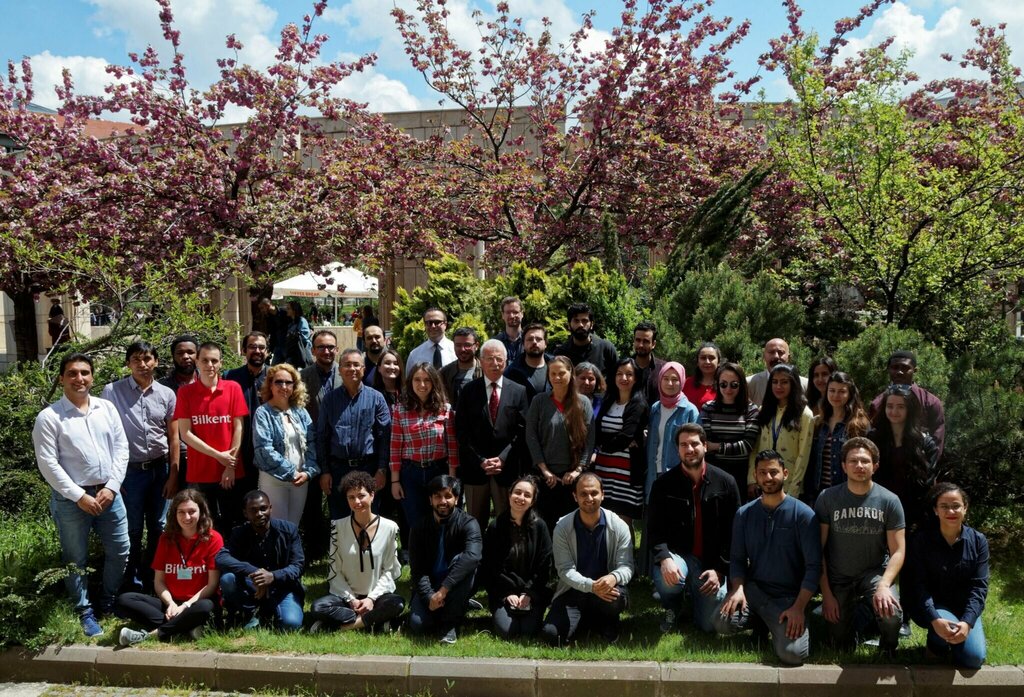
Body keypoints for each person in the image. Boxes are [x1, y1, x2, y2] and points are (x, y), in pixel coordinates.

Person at [33, 353, 131, 636]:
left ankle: (108, 602)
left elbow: (121, 448)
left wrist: (112, 487)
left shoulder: (107, 408)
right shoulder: (50, 417)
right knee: (75, 557)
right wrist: (79, 496)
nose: (80, 379)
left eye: (85, 373)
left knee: (121, 550)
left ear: (92, 377)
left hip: (110, 493)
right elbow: (48, 464)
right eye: (73, 373)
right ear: (62, 378)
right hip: (72, 500)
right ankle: (84, 610)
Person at [714, 450, 821, 665]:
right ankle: (767, 623)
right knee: (721, 622)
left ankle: (778, 623)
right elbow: (736, 559)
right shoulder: (744, 514)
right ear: (755, 475)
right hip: (754, 593)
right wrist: (738, 589)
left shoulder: (803, 514)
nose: (768, 478)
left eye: (774, 472)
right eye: (762, 472)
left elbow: (814, 567)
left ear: (785, 473)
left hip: (788, 599)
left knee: (793, 655)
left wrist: (798, 607)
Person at [816, 437, 906, 656]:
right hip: (839, 576)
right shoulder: (827, 498)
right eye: (853, 461)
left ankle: (887, 648)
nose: (859, 465)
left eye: (865, 461)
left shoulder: (889, 500)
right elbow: (817, 550)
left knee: (891, 614)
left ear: (875, 466)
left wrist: (884, 585)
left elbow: (899, 551)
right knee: (840, 645)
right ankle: (856, 623)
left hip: (873, 574)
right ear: (844, 466)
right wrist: (826, 594)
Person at [101, 341, 179, 593]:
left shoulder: (167, 394)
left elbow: (174, 437)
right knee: (132, 529)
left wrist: (173, 475)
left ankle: (153, 580)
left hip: (160, 471)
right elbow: (105, 437)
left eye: (147, 359)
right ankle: (130, 583)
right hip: (129, 473)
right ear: (128, 363)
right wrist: (114, 479)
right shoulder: (112, 392)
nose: (143, 365)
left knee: (158, 526)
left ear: (156, 361)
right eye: (136, 359)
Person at [647, 424, 739, 634]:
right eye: (684, 445)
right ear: (677, 450)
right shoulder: (663, 485)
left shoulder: (726, 483)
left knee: (709, 626)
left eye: (695, 444)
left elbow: (734, 533)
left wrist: (720, 570)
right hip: (678, 555)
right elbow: (654, 529)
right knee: (670, 580)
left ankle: (694, 598)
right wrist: (665, 559)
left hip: (710, 562)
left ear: (705, 446)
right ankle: (672, 605)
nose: (690, 449)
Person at [116, 489, 222, 645]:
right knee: (125, 599)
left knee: (206, 607)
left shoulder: (213, 538)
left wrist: (186, 606)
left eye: (192, 511)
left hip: (198, 602)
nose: (187, 517)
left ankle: (153, 634)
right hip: (173, 602)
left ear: (202, 512)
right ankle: (185, 626)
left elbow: (212, 584)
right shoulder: (166, 538)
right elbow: (159, 581)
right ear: (174, 513)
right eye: (181, 512)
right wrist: (171, 604)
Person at [541, 472, 633, 646]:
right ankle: (590, 620)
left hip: (606, 591)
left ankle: (605, 620)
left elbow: (626, 566)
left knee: (618, 597)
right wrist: (591, 586)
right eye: (583, 494)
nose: (589, 498)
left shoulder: (619, 526)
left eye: (594, 493)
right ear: (575, 496)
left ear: (603, 494)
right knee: (552, 635)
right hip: (573, 592)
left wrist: (613, 577)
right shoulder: (562, 527)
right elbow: (564, 570)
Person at [307, 471, 405, 632]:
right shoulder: (337, 527)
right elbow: (335, 571)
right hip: (346, 597)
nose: (357, 501)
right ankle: (374, 622)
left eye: (361, 496)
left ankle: (343, 626)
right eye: (351, 497)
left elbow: (389, 570)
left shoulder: (390, 528)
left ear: (372, 495)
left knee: (397, 604)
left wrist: (371, 599)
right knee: (318, 607)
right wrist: (351, 599)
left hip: (378, 597)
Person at [906, 482, 988, 669]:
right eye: (944, 506)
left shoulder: (978, 541)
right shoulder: (921, 540)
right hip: (933, 607)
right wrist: (934, 618)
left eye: (956, 506)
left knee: (973, 659)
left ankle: (954, 641)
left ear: (965, 508)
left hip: (964, 607)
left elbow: (979, 587)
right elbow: (918, 584)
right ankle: (936, 646)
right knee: (944, 628)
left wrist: (967, 622)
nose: (951, 511)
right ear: (935, 510)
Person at [455, 339, 531, 530]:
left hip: (507, 470)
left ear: (506, 361)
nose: (495, 363)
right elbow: (462, 432)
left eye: (499, 359)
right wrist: (480, 460)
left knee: (508, 522)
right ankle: (477, 559)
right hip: (475, 470)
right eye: (490, 359)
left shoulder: (519, 391)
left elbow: (522, 431)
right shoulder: (468, 391)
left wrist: (503, 458)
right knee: (474, 524)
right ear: (481, 361)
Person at [174, 342, 249, 531]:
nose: (210, 365)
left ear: (221, 363)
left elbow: (238, 428)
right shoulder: (185, 392)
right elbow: (185, 434)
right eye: (205, 360)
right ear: (197, 362)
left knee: (233, 521)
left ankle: (231, 560)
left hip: (230, 471)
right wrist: (219, 456)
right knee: (204, 523)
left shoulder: (233, 388)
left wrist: (229, 465)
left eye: (214, 360)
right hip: (200, 472)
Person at [318, 349, 392, 521]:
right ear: (340, 369)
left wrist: (381, 469)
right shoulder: (329, 400)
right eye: (347, 365)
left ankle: (368, 549)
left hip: (368, 468)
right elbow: (322, 437)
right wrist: (325, 471)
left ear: (363, 369)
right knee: (340, 522)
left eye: (356, 365)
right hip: (338, 471)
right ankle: (343, 550)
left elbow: (385, 437)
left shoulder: (376, 398)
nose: (352, 369)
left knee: (369, 521)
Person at [408, 475, 482, 644]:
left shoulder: (469, 523)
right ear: (430, 500)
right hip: (431, 584)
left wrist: (443, 590)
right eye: (437, 497)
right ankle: (457, 605)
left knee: (462, 561)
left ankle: (450, 624)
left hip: (455, 582)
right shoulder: (419, 527)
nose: (443, 501)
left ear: (456, 499)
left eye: (448, 496)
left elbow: (473, 556)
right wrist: (429, 597)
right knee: (419, 625)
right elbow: (418, 569)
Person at [216, 490, 305, 630]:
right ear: (245, 513)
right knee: (228, 579)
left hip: (283, 587)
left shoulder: (289, 530)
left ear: (270, 508)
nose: (259, 514)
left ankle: (268, 612)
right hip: (252, 587)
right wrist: (256, 572)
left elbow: (298, 566)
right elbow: (221, 558)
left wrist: (272, 576)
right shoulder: (239, 533)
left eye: (263, 508)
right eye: (253, 510)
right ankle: (249, 612)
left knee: (291, 624)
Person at [526, 356, 596, 530]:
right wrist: (544, 470)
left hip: (572, 479)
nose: (557, 377)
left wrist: (578, 469)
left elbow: (590, 440)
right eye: (553, 373)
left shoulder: (583, 403)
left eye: (561, 373)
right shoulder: (539, 401)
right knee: (544, 527)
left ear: (570, 373)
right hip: (545, 478)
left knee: (571, 529)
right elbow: (531, 436)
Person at [481, 475, 553, 640]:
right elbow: (490, 566)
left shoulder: (540, 527)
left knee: (529, 630)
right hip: (504, 590)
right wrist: (507, 593)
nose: (521, 498)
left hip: (532, 591)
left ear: (533, 501)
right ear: (509, 495)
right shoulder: (496, 527)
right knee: (507, 631)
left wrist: (529, 593)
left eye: (527, 495)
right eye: (517, 492)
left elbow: (544, 565)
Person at [390, 363, 460, 531]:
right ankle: (419, 557)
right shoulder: (400, 410)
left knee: (442, 520)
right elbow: (395, 446)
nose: (422, 385)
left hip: (438, 471)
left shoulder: (445, 409)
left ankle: (443, 556)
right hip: (410, 474)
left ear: (434, 382)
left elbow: (452, 446)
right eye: (417, 380)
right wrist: (395, 481)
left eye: (427, 380)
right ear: (410, 382)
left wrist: (451, 481)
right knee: (416, 523)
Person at [252, 363, 319, 526]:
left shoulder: (301, 411)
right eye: (278, 382)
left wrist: (308, 472)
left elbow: (312, 442)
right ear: (270, 385)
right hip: (274, 479)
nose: (284, 386)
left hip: (300, 481)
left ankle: (291, 553)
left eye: (288, 382)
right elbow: (264, 449)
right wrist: (292, 472)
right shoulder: (263, 413)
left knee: (293, 526)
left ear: (294, 386)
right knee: (277, 527)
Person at [868, 385, 940, 533]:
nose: (894, 411)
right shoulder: (873, 439)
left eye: (900, 407)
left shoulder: (925, 443)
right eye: (890, 406)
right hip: (879, 510)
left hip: (914, 515)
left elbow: (928, 481)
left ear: (910, 409)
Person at [592, 357, 649, 532]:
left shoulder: (638, 404)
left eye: (629, 374)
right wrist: (616, 440)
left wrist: (605, 444)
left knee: (623, 522)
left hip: (626, 472)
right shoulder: (608, 400)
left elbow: (626, 436)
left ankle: (626, 560)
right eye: (619, 374)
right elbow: (597, 432)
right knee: (603, 517)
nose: (624, 378)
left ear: (636, 378)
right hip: (604, 469)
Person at [299, 330, 341, 560]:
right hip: (311, 448)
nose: (326, 351)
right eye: (321, 347)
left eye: (330, 347)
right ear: (313, 350)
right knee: (312, 503)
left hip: (339, 448)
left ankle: (340, 547)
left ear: (337, 349)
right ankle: (315, 549)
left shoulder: (346, 374)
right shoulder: (302, 377)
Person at [747, 363, 814, 500]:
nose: (778, 386)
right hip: (763, 481)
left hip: (788, 485)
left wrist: (794, 490)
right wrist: (751, 479)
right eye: (775, 382)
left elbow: (803, 455)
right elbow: (755, 447)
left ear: (794, 384)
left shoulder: (804, 414)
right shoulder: (764, 410)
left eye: (784, 382)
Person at [804, 371, 870, 505]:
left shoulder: (859, 424)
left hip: (847, 491)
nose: (835, 395)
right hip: (820, 492)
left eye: (841, 391)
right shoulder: (820, 423)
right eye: (832, 390)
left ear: (850, 393)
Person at [869, 350, 946, 458]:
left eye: (905, 368)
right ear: (889, 370)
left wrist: (930, 469)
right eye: (895, 367)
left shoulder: (931, 402)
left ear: (915, 370)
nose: (899, 372)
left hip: (919, 465)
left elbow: (937, 441)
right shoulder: (878, 403)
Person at [700, 362, 760, 500]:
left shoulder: (750, 410)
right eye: (723, 384)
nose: (728, 389)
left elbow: (747, 445)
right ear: (717, 384)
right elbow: (705, 442)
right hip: (713, 470)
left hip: (740, 472)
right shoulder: (708, 408)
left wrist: (716, 446)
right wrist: (726, 447)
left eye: (734, 385)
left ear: (741, 385)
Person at [224, 332, 270, 510]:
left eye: (261, 347)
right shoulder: (229, 377)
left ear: (267, 351)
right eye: (252, 347)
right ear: (243, 350)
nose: (257, 351)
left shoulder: (276, 377)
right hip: (240, 453)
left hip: (269, 453)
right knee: (240, 504)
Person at [645, 361, 699, 500]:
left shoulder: (689, 410)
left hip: (678, 476)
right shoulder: (655, 408)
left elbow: (696, 447)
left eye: (675, 379)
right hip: (652, 474)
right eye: (666, 378)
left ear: (681, 381)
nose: (670, 383)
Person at [160, 335, 199, 490]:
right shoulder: (162, 388)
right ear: (173, 356)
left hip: (206, 456)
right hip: (175, 460)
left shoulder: (210, 383)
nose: (185, 356)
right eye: (180, 353)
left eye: (190, 352)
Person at [552, 303, 618, 377]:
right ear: (569, 325)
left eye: (584, 321)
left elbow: (617, 378)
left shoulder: (606, 349)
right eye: (576, 321)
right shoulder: (561, 353)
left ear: (592, 324)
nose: (580, 325)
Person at [747, 338, 808, 406]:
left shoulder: (805, 385)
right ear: (764, 357)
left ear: (789, 357)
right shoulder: (750, 384)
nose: (776, 356)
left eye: (781, 352)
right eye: (771, 352)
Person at [504, 322, 551, 400]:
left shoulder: (556, 366)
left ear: (545, 343)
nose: (534, 342)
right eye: (530, 339)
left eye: (538, 339)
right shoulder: (512, 372)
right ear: (523, 344)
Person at [439, 327, 481, 407]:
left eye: (467, 345)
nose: (462, 349)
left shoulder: (486, 371)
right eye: (458, 345)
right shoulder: (444, 373)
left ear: (476, 346)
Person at [405, 307, 456, 372]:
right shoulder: (414, 355)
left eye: (437, 322)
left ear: (445, 324)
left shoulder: (456, 350)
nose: (433, 326)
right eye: (429, 323)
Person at [631, 321, 665, 405]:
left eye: (645, 341)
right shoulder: (623, 368)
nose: (641, 345)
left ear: (653, 344)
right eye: (638, 340)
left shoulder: (663, 370)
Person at [682, 342, 722, 411]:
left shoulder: (724, 385)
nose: (707, 362)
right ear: (697, 362)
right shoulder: (687, 383)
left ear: (718, 362)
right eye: (703, 358)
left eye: (711, 358)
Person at [493, 296, 525, 366]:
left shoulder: (529, 340)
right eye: (508, 312)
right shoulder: (495, 342)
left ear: (522, 314)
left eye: (515, 312)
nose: (511, 316)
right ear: (502, 315)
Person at [257, 298, 288, 365]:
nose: (261, 310)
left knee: (292, 368)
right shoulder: (268, 317)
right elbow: (272, 333)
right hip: (278, 346)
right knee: (274, 368)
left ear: (267, 305)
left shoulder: (284, 311)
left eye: (262, 308)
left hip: (287, 345)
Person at [283, 301, 313, 369]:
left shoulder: (302, 321)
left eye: (288, 308)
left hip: (301, 353)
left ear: (294, 310)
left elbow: (305, 337)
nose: (286, 310)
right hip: (292, 353)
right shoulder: (291, 323)